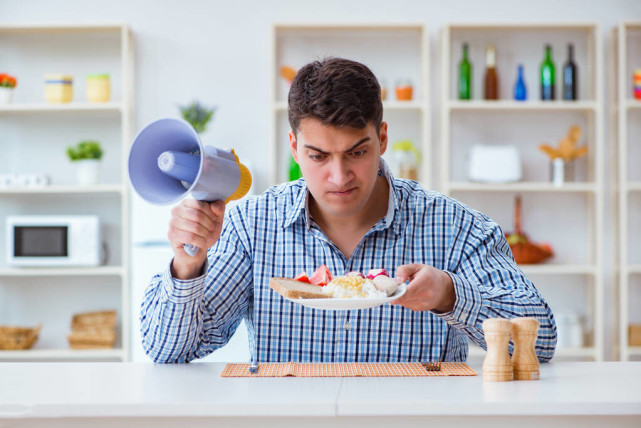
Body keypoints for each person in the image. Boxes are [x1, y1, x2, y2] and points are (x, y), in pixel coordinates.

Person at [141, 57, 557, 364]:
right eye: (318, 156)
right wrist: (187, 263)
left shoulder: (456, 226)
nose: (339, 177)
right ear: (293, 148)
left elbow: (542, 343)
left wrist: (451, 295)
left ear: (383, 138)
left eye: (357, 152)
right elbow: (166, 350)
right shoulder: (252, 225)